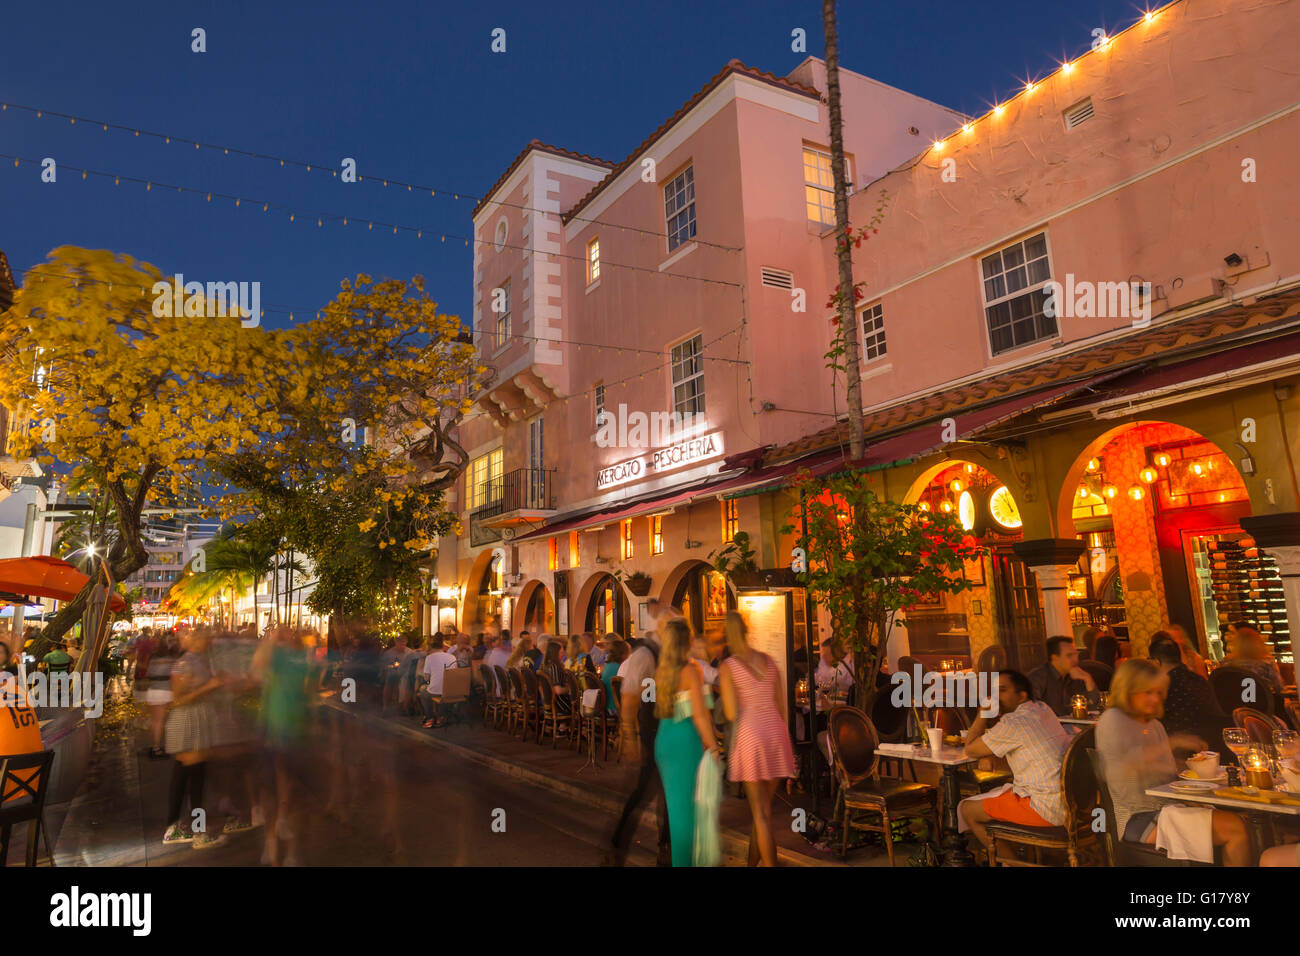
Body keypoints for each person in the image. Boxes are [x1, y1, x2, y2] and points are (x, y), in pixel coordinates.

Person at [1096, 659, 1250, 865]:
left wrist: (1198, 770)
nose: (1154, 698)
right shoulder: (1113, 719)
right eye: (1147, 692)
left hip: (1168, 806)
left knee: (1243, 821)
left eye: (1158, 692)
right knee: (1236, 829)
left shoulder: (1154, 724)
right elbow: (1121, 768)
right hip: (1136, 817)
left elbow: (1165, 773)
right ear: (1128, 689)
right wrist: (1173, 742)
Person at [958, 670, 1073, 851]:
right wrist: (989, 754)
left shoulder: (1014, 722)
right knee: (998, 793)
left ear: (1021, 695)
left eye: (1002, 690)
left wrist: (982, 714)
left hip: (1046, 808)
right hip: (1073, 804)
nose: (996, 697)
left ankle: (1011, 862)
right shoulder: (1042, 708)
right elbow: (1026, 751)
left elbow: (970, 748)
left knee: (967, 810)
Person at [719, 610, 795, 867]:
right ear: (746, 630)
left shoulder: (728, 666)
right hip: (776, 732)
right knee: (763, 810)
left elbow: (729, 712)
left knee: (761, 814)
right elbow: (781, 706)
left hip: (751, 734)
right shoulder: (769, 660)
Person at [653, 619, 720, 866]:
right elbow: (700, 715)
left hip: (665, 740)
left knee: (677, 808)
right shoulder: (691, 670)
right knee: (689, 813)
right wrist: (714, 747)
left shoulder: (662, 669)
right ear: (687, 641)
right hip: (685, 741)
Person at [608, 626, 671, 866]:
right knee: (644, 790)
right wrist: (632, 737)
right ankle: (620, 840)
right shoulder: (645, 656)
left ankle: (662, 843)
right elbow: (633, 697)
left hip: (660, 728)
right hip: (651, 730)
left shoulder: (663, 655)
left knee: (657, 790)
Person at [163, 628, 228, 850]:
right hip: (187, 724)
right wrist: (209, 687)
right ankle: (196, 832)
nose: (211, 641)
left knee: (186, 776)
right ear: (197, 640)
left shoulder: (200, 660)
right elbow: (178, 699)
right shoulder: (185, 663)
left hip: (197, 723)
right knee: (194, 778)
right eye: (207, 638)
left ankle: (175, 828)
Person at [1148, 634, 1226, 745]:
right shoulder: (1199, 680)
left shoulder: (1162, 687)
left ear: (1156, 661)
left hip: (1181, 750)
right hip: (1214, 744)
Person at [1026, 636, 1099, 717]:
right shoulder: (1038, 678)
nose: (1075, 659)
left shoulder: (1076, 676)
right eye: (1069, 655)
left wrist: (1088, 678)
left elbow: (1094, 708)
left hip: (1075, 727)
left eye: (1075, 654)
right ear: (1055, 658)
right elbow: (1031, 712)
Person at [1218, 625, 1285, 703]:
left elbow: (1222, 687)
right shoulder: (1267, 661)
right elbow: (1279, 687)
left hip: (1236, 707)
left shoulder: (1226, 662)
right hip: (1266, 707)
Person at [144, 637, 179, 758]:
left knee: (154, 721)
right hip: (164, 691)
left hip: (152, 690)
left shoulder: (152, 659)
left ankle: (153, 745)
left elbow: (148, 673)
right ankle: (156, 748)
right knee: (159, 722)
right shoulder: (170, 660)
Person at [419, 635, 458, 728]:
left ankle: (430, 718)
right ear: (443, 648)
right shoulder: (452, 657)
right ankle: (442, 716)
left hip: (437, 691)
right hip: (452, 691)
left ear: (431, 648)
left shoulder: (429, 658)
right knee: (439, 689)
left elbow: (426, 678)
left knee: (423, 693)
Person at [540, 638, 572, 715]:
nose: (564, 653)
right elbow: (558, 690)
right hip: (560, 706)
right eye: (561, 652)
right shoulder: (554, 667)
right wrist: (569, 688)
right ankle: (564, 725)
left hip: (549, 705)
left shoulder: (545, 666)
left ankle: (562, 725)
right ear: (555, 653)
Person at [602, 639, 629, 715]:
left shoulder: (607, 666)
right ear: (623, 654)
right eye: (628, 653)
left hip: (607, 708)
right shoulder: (621, 667)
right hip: (617, 709)